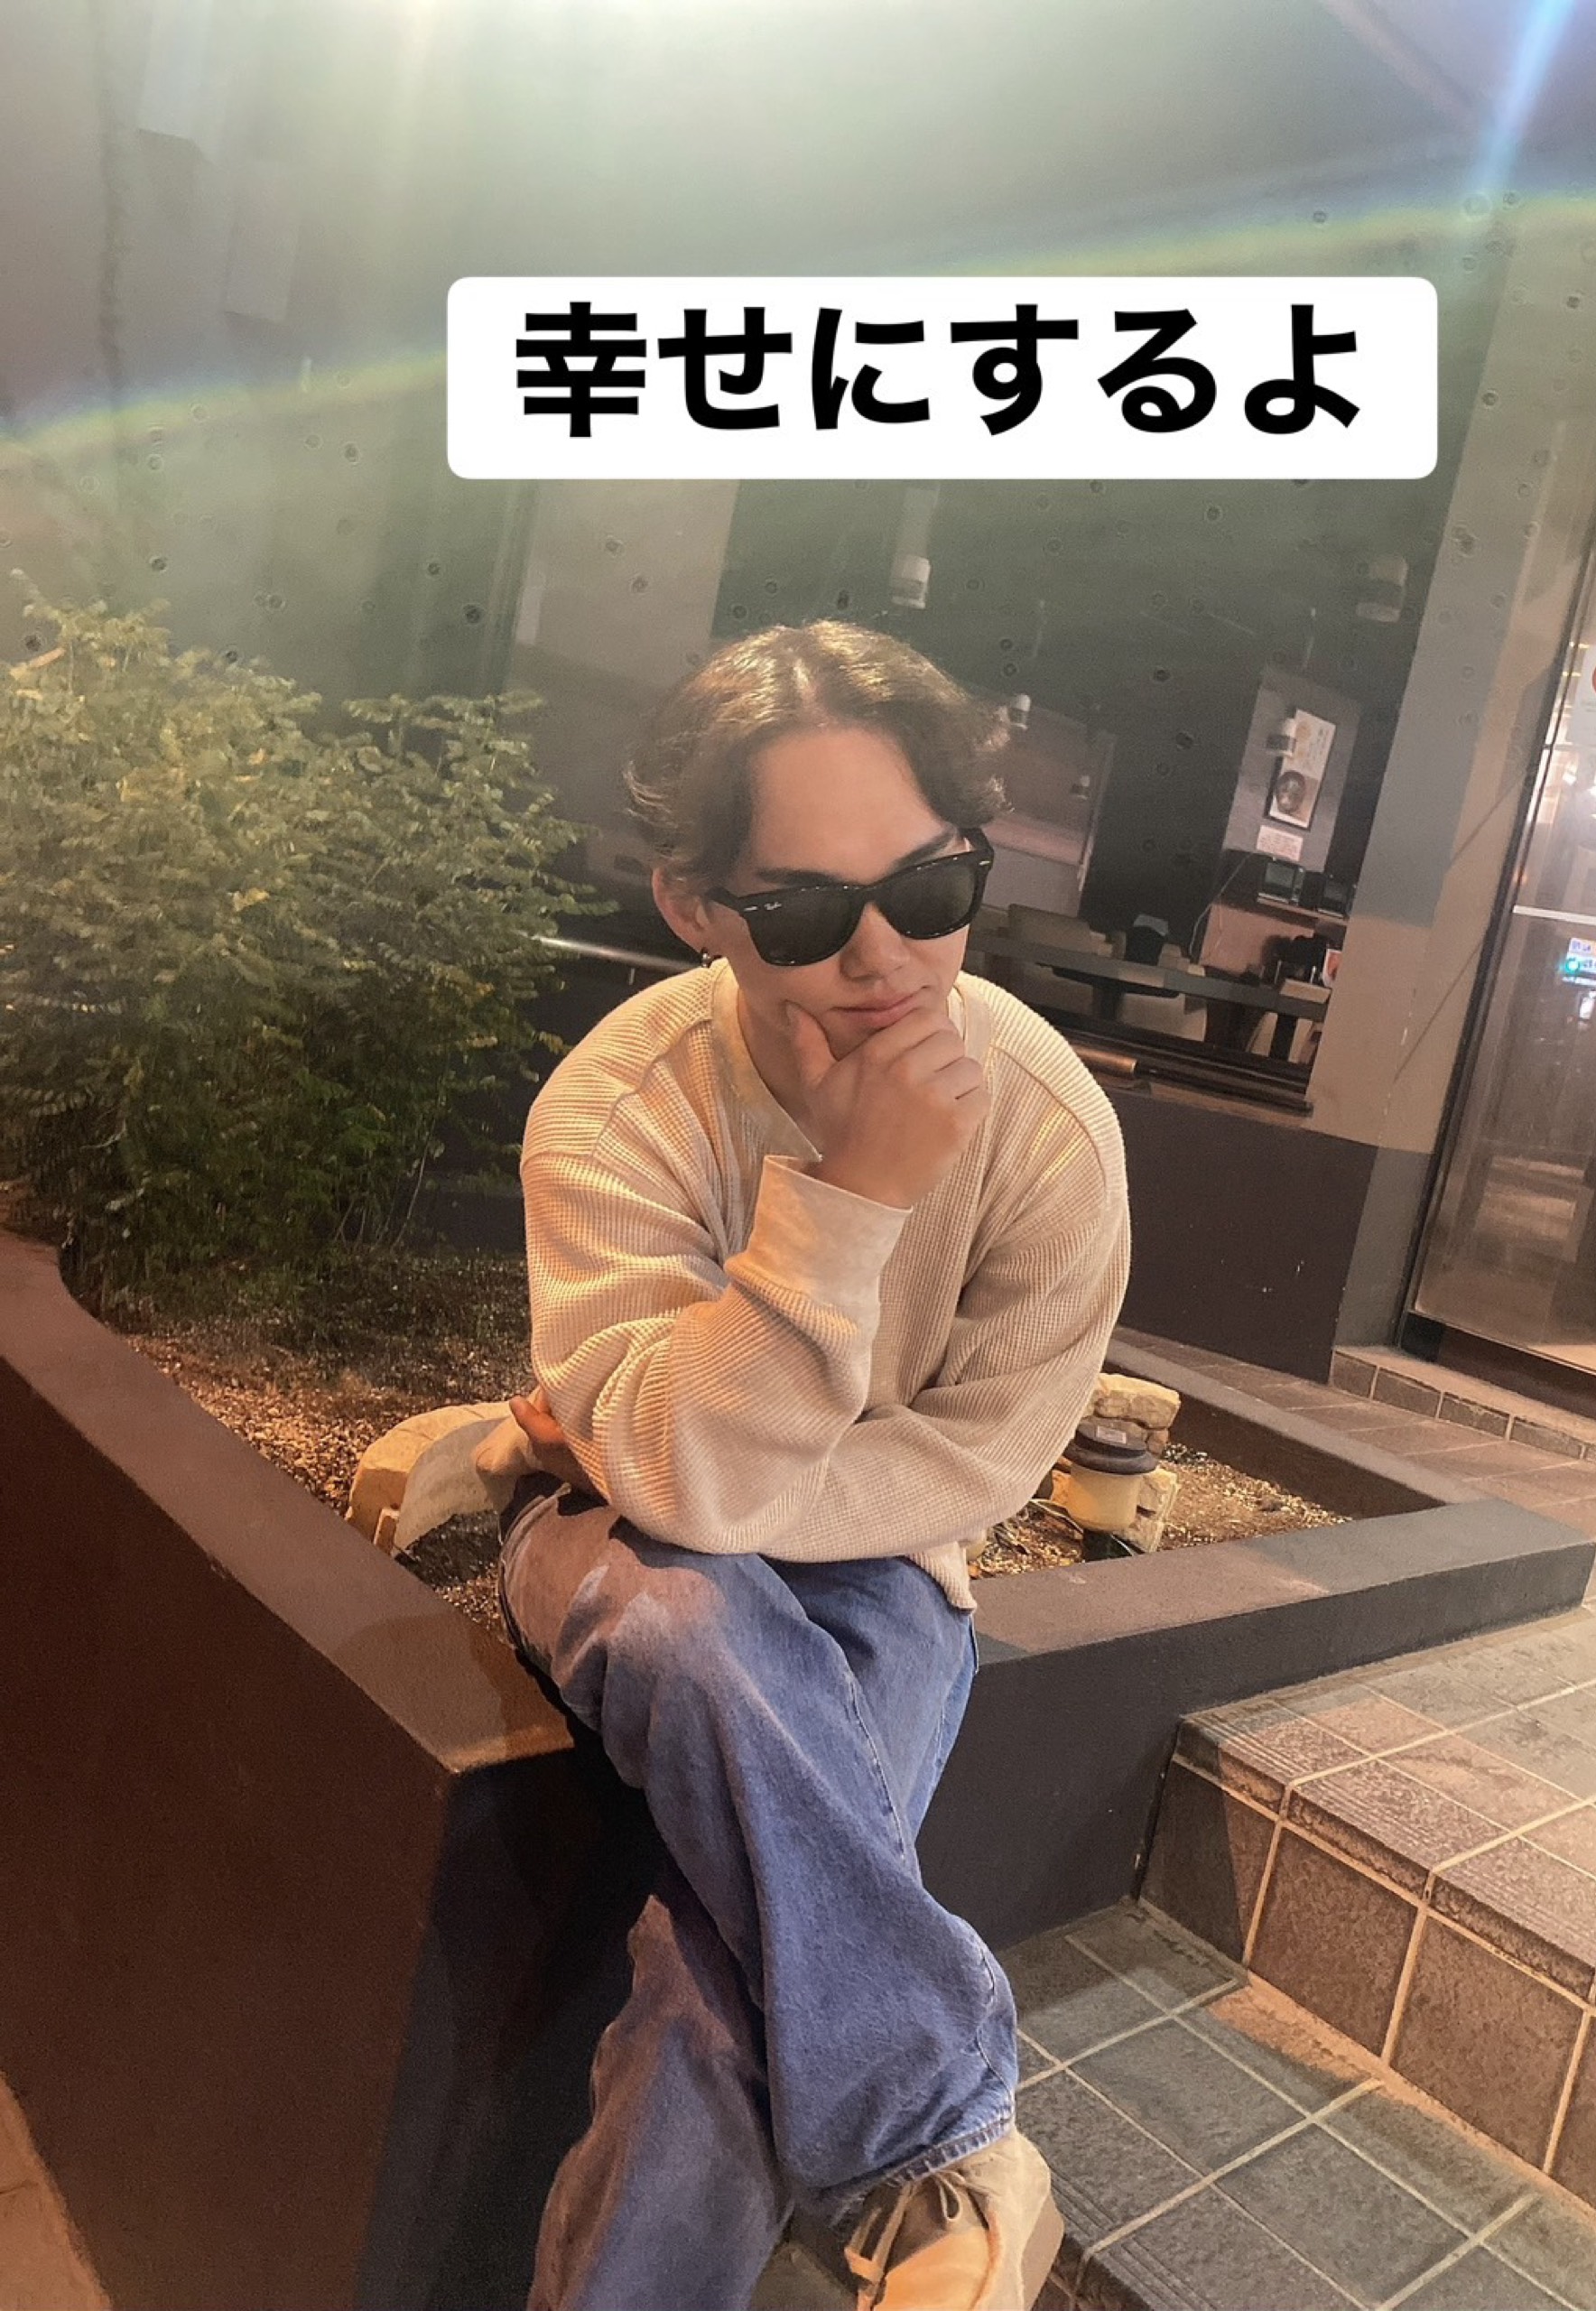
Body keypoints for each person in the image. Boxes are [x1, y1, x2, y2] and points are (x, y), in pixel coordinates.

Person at [475, 621, 1131, 2311]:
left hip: (880, 1566)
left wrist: (752, 1508)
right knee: (689, 1620)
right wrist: (848, 1200)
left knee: (714, 1984)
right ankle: (933, 2135)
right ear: (694, 906)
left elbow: (982, 1457)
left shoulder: (1046, 1129)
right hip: (608, 1530)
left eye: (930, 887)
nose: (884, 957)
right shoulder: (623, 1107)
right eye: (801, 911)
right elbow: (663, 1473)